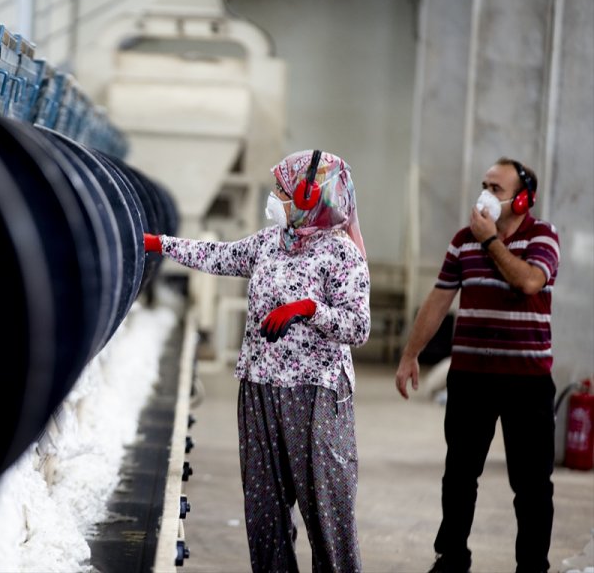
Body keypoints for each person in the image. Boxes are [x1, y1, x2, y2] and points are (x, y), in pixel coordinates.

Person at [144, 150, 370, 572]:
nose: (275, 197)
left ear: (308, 196)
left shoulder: (342, 255)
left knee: (327, 512)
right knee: (264, 512)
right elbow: (219, 256)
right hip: (259, 389)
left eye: (282, 190)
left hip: (315, 396)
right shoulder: (270, 242)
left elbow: (358, 327)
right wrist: (159, 244)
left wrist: (308, 309)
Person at [395, 157, 560, 573]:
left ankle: (532, 566)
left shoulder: (543, 236)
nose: (485, 194)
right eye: (484, 184)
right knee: (459, 475)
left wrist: (491, 241)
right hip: (471, 379)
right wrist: (409, 354)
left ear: (522, 200)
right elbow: (438, 300)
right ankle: (452, 557)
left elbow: (528, 282)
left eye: (497, 188)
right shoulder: (462, 240)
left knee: (531, 485)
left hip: (527, 381)